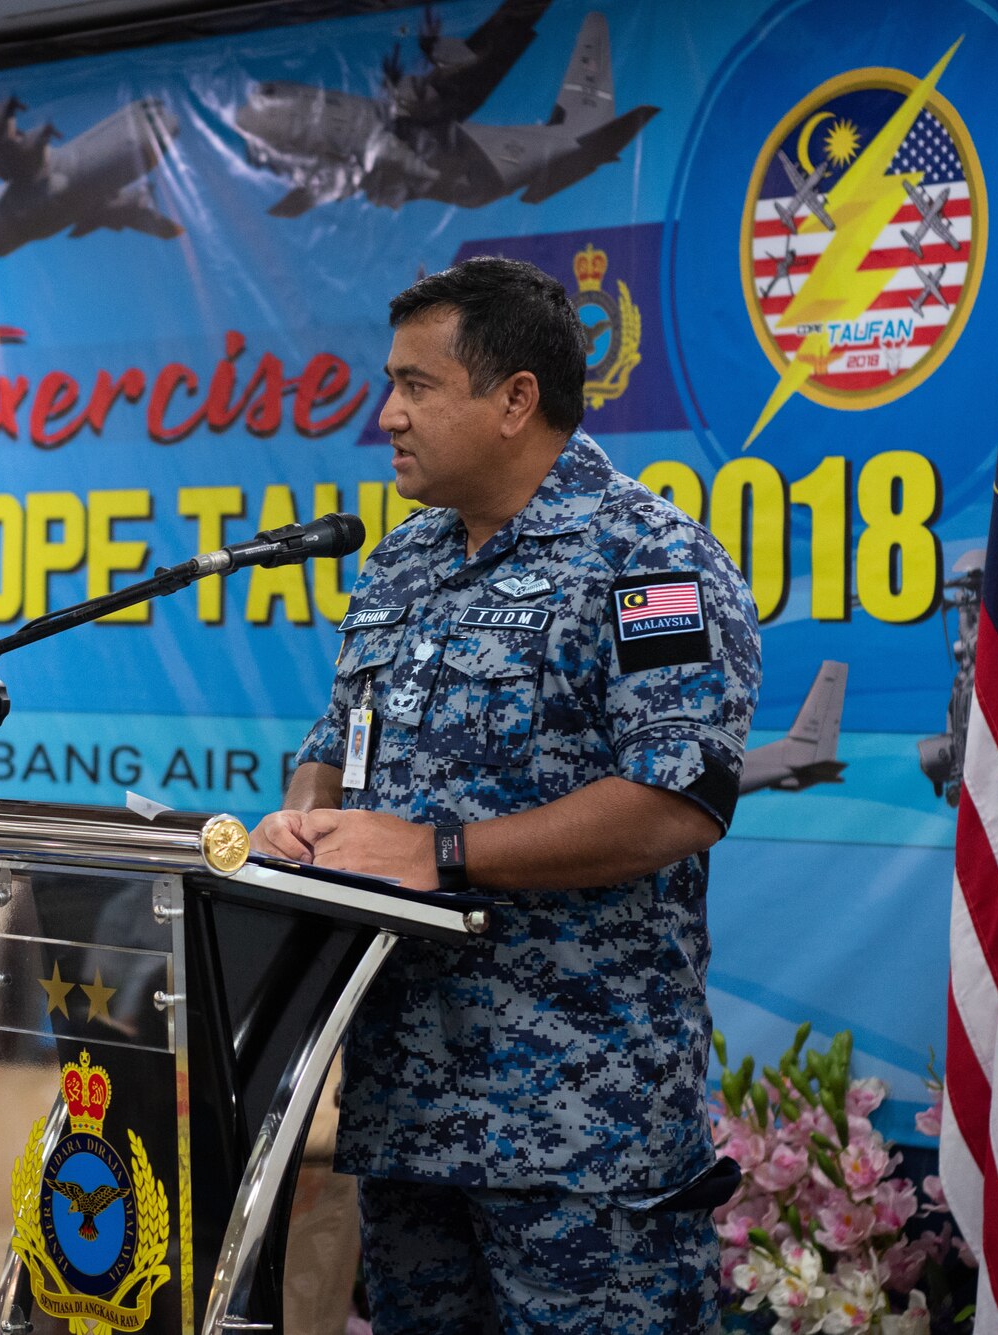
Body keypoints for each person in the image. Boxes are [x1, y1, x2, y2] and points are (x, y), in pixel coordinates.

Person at [251, 257, 761, 1333]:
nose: (383, 415)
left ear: (513, 399)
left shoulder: (649, 559)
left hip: (580, 1132)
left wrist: (436, 853)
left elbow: (675, 802)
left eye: (415, 386)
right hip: (406, 1110)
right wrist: (307, 812)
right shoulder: (397, 568)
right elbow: (332, 742)